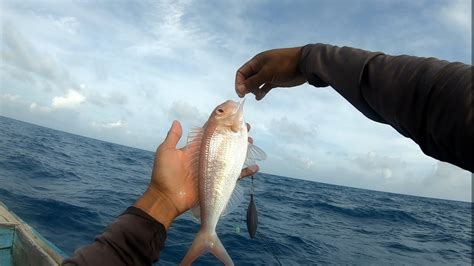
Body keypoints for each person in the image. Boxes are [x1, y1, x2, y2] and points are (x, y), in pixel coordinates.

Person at [63, 43, 473, 265]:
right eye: (220, 112)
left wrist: (162, 200)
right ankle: (209, 233)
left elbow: (438, 99)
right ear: (221, 120)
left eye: (222, 112)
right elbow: (438, 99)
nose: (225, 110)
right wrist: (310, 60)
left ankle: (208, 232)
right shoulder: (228, 128)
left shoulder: (228, 128)